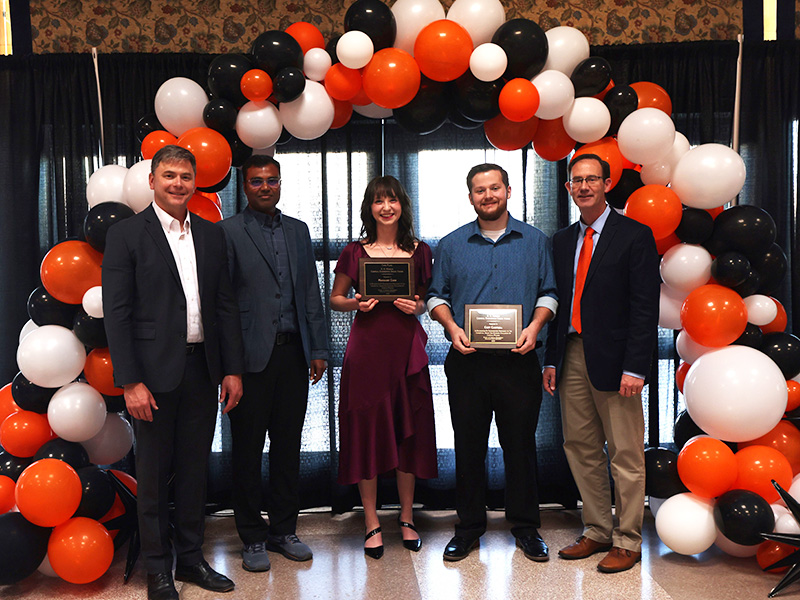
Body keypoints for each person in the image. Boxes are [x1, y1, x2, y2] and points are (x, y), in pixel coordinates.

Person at [103, 145, 244, 600]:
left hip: (203, 370)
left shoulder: (211, 234)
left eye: (186, 176)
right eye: (169, 175)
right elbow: (118, 315)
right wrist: (129, 381)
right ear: (152, 180)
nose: (178, 183)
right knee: (152, 473)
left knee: (193, 472)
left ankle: (191, 559)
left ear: (195, 181)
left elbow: (224, 306)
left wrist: (232, 370)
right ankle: (157, 570)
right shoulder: (127, 235)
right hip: (151, 377)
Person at [427, 163, 558, 562]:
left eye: (494, 188)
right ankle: (468, 528)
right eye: (479, 190)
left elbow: (549, 293)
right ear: (470, 197)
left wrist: (535, 327)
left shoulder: (535, 242)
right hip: (467, 361)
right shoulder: (450, 245)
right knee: (468, 446)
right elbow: (435, 297)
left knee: (519, 446)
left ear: (508, 191)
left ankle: (525, 526)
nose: (488, 195)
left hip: (520, 360)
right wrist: (451, 327)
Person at [543, 153, 660, 573]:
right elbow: (558, 302)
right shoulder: (560, 240)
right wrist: (551, 360)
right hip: (571, 352)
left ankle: (627, 539)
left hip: (617, 361)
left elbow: (645, 308)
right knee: (580, 447)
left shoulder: (635, 235)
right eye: (577, 180)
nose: (585, 186)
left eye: (593, 179)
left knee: (625, 452)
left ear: (607, 184)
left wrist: (636, 367)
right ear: (568, 188)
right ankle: (596, 530)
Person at [218, 154, 329, 573]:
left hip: (294, 355)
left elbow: (310, 294)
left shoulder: (299, 231)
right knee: (246, 450)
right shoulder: (227, 232)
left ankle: (284, 530)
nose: (265, 187)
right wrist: (229, 366)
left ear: (281, 184)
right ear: (244, 187)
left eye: (272, 180)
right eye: (256, 181)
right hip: (248, 360)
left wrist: (318, 348)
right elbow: (223, 304)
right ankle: (251, 536)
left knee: (287, 447)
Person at [330, 176, 437, 560]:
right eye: (379, 201)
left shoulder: (420, 251)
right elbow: (335, 299)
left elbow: (427, 299)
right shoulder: (354, 252)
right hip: (368, 354)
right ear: (369, 208)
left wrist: (418, 306)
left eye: (392, 200)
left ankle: (407, 517)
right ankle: (372, 520)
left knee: (410, 433)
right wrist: (356, 304)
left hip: (407, 352)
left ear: (403, 206)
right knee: (367, 432)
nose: (386, 207)